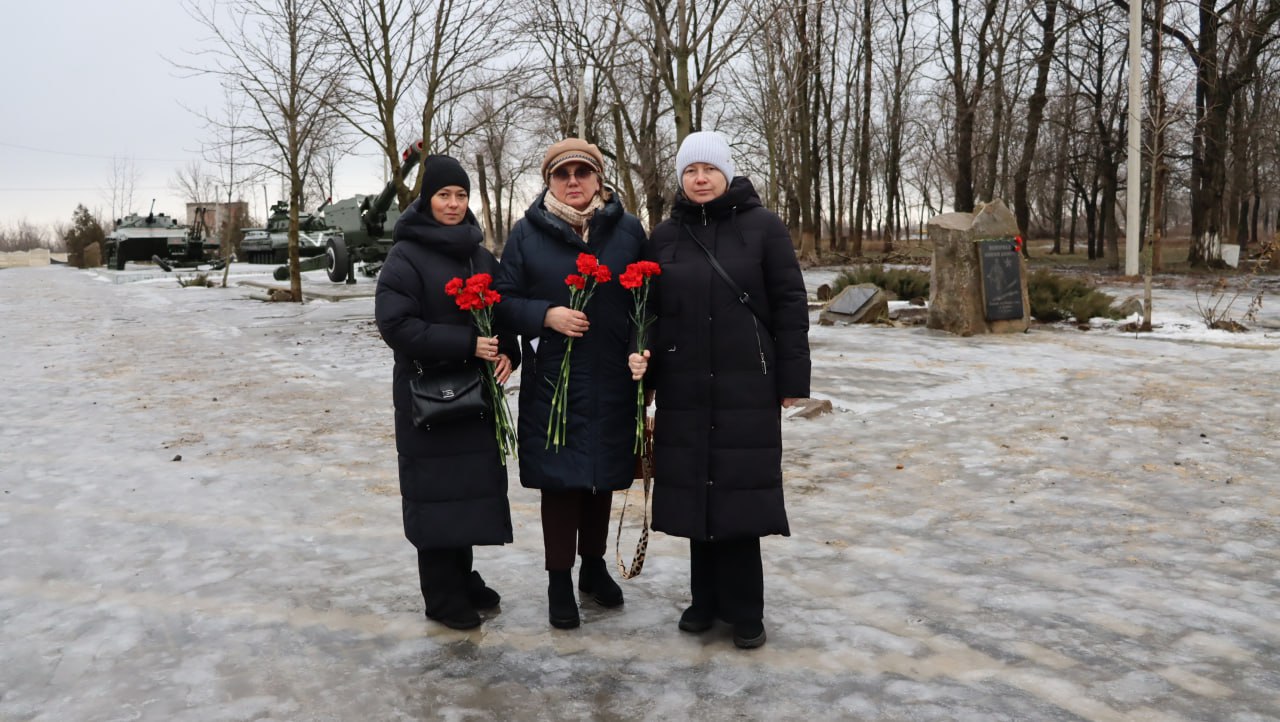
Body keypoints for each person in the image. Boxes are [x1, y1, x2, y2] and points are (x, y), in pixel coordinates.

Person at [627, 130, 810, 649]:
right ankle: (703, 601)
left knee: (739, 496)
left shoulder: (764, 228)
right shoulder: (663, 236)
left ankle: (745, 608)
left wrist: (793, 380)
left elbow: (791, 306)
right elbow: (649, 311)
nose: (700, 179)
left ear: (726, 173)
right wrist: (643, 366)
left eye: (708, 169)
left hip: (746, 384)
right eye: (690, 171)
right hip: (684, 385)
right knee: (694, 495)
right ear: (680, 178)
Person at [494, 138, 647, 629]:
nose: (574, 181)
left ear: (599, 178)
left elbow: (647, 300)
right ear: (549, 182)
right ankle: (559, 577)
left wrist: (641, 349)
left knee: (601, 478)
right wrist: (547, 315)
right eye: (564, 174)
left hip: (610, 379)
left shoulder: (626, 231)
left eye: (583, 172)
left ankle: (594, 568)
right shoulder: (526, 234)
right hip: (553, 382)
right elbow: (503, 301)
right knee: (560, 483)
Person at [375, 154, 519, 630]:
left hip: (473, 396)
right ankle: (441, 594)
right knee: (435, 491)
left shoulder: (478, 253)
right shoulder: (406, 255)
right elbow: (396, 324)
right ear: (427, 199)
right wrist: (467, 343)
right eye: (444, 195)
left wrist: (508, 352)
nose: (454, 204)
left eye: (460, 195)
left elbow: (502, 314)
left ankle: (462, 576)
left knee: (466, 491)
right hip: (428, 396)